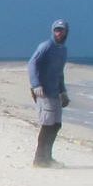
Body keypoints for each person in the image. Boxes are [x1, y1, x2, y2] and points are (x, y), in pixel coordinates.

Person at [27, 18, 71, 167]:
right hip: (43, 92)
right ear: (52, 31)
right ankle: (39, 159)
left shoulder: (62, 50)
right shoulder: (46, 46)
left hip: (55, 92)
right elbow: (32, 63)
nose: (59, 33)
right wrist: (35, 84)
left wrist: (63, 91)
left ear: (66, 32)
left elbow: (59, 72)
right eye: (56, 30)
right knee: (47, 125)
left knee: (56, 125)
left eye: (61, 30)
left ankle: (48, 157)